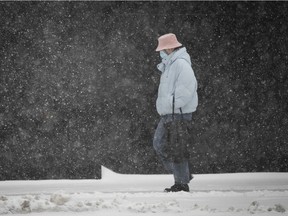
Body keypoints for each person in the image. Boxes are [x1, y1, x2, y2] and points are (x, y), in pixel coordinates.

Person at [153, 33, 198, 192]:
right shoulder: (169, 65)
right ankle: (183, 175)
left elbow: (187, 89)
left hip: (177, 114)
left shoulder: (180, 64)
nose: (161, 52)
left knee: (177, 149)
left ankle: (181, 183)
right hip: (168, 114)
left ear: (170, 47)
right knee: (159, 144)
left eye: (163, 49)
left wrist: (172, 104)